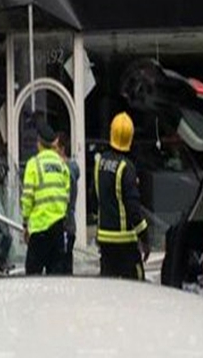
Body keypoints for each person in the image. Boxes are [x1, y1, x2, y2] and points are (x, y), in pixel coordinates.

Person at [94, 112, 150, 280]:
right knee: (136, 286)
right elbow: (133, 208)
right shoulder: (127, 167)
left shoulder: (99, 163)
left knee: (109, 289)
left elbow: (94, 198)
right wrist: (144, 237)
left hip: (105, 240)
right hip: (125, 242)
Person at [21, 121, 70, 276]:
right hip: (58, 229)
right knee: (56, 278)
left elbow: (27, 197)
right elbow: (66, 196)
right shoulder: (62, 165)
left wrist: (25, 222)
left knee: (33, 277)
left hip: (39, 230)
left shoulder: (33, 164)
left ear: (39, 143)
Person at [56, 130, 81, 274]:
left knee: (63, 268)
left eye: (55, 148)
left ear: (62, 149)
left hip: (65, 226)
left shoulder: (66, 171)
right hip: (68, 226)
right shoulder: (70, 170)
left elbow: (65, 199)